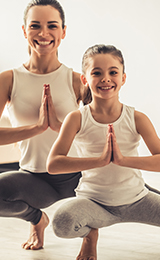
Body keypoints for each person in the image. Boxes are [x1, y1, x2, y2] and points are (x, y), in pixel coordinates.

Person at [47, 44, 160, 260]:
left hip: (137, 199)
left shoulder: (137, 118)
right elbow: (53, 164)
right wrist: (99, 161)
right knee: (62, 223)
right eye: (96, 73)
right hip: (93, 202)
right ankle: (90, 234)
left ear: (123, 78)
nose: (105, 78)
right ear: (85, 79)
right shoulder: (77, 118)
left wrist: (123, 160)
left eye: (113, 72)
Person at [0, 0, 84, 250]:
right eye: (35, 26)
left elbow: (98, 133)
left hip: (78, 175)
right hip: (35, 178)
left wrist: (59, 125)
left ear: (63, 32)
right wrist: (36, 128)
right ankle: (38, 220)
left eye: (52, 26)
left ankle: (89, 240)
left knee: (143, 198)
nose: (44, 33)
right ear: (25, 31)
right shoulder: (8, 80)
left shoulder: (78, 80)